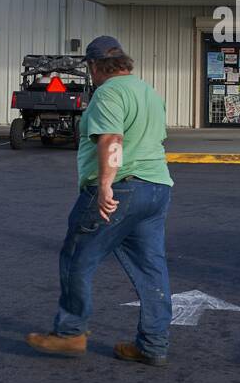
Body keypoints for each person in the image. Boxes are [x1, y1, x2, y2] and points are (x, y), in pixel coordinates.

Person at [26, 36, 175, 366]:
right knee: (151, 267)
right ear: (124, 61)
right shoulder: (148, 92)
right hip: (157, 189)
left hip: (121, 188)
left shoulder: (108, 93)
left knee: (77, 257)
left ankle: (70, 333)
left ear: (94, 66)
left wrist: (106, 185)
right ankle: (153, 344)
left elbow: (112, 139)